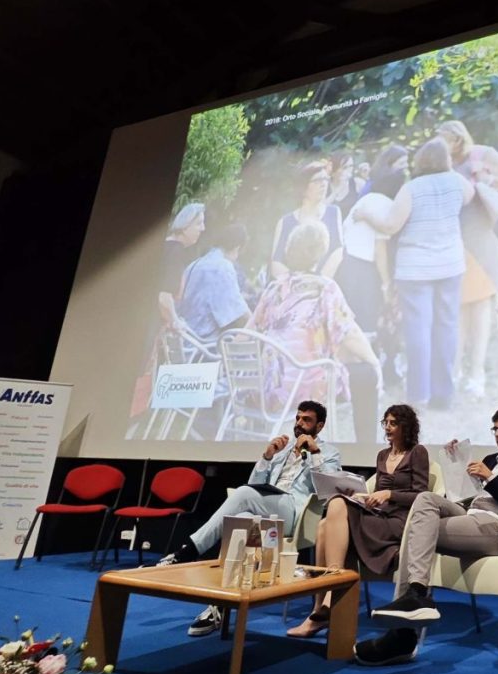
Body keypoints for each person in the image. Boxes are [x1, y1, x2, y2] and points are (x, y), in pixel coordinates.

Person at [355, 406, 498, 666]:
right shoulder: (490, 459)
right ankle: (415, 595)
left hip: (494, 528)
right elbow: (464, 496)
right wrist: (456, 463)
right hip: (468, 514)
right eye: (495, 429)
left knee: (415, 531)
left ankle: (401, 634)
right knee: (424, 500)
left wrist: (490, 478)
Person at [159, 401, 342, 637]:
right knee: (241, 521)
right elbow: (255, 484)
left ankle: (188, 551)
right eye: (297, 418)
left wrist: (315, 453)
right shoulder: (284, 449)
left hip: (295, 513)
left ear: (320, 425)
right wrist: (267, 457)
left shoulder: (329, 452)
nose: (299, 424)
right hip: (268, 506)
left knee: (243, 494)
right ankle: (219, 607)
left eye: (306, 419)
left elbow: (328, 490)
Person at [287, 405, 429, 638]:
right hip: (379, 515)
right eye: (386, 423)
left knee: (335, 509)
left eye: (394, 423)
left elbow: (422, 496)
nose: (388, 428)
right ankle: (319, 607)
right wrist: (363, 497)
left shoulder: (418, 452)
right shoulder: (383, 455)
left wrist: (390, 495)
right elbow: (377, 493)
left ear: (406, 426)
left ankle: (330, 592)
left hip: (400, 520)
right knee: (328, 517)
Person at [356, 137, 474, 408]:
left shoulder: (412, 188)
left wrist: (365, 215)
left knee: (418, 331)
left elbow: (390, 225)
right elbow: (470, 195)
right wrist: (449, 169)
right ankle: (443, 394)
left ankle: (418, 394)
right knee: (447, 328)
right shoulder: (456, 182)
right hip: (450, 265)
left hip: (415, 268)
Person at [250, 220, 381, 443]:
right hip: (306, 388)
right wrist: (374, 362)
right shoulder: (325, 288)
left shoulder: (274, 288)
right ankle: (367, 451)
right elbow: (349, 334)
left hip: (270, 390)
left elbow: (248, 333)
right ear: (320, 252)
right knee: (367, 374)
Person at [437, 120, 498, 398]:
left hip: (481, 239)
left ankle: (476, 374)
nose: (442, 146)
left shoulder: (483, 154)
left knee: (481, 309)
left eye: (445, 139)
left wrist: (487, 179)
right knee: (457, 310)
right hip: (453, 241)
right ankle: (456, 372)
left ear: (458, 138)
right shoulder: (441, 162)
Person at [334, 144, 408, 334]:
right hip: (363, 267)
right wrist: (386, 283)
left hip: (346, 260)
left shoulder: (367, 200)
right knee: (365, 318)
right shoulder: (385, 206)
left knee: (349, 317)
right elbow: (380, 249)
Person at [177, 223, 251, 344]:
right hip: (205, 344)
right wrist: (257, 324)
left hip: (186, 338)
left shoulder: (194, 265)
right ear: (237, 248)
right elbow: (238, 311)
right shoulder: (222, 266)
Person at [271, 161, 342, 278]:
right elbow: (276, 262)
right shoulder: (285, 221)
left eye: (325, 179)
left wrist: (318, 282)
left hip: (324, 287)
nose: (323, 184)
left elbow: (338, 251)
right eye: (317, 181)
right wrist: (298, 284)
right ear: (303, 187)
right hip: (292, 290)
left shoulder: (333, 213)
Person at [158, 203, 206, 329]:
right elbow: (164, 297)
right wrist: (175, 321)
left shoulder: (166, 246)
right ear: (185, 226)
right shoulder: (176, 252)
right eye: (198, 223)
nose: (203, 228)